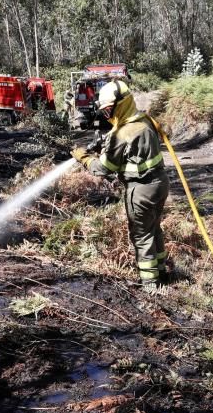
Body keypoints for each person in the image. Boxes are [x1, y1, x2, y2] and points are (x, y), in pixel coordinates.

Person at [71, 80, 170, 290]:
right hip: (160, 184)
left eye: (108, 111)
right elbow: (136, 144)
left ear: (120, 105)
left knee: (142, 235)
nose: (107, 116)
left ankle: (151, 285)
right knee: (154, 229)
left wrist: (84, 157)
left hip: (141, 190)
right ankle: (162, 271)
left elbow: (102, 168)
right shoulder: (144, 120)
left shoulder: (121, 133)